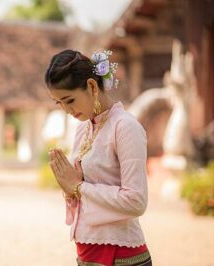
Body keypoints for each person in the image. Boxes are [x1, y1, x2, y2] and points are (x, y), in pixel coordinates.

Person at [45, 49, 152, 266]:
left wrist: (79, 187)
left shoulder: (125, 127)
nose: (66, 109)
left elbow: (136, 201)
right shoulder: (82, 129)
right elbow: (82, 192)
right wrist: (69, 188)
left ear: (92, 86)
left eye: (69, 100)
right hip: (87, 251)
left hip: (121, 255)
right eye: (59, 103)